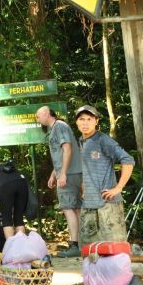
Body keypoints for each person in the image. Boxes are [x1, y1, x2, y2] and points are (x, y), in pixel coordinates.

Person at [74, 105, 135, 245]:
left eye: (89, 119)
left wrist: (119, 187)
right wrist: (84, 189)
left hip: (107, 204)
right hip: (89, 204)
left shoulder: (103, 140)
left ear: (96, 121)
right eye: (81, 119)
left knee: (114, 249)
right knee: (89, 251)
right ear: (76, 122)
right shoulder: (81, 141)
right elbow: (87, 168)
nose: (85, 123)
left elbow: (128, 160)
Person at [35, 105, 83, 257]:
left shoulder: (59, 126)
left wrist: (62, 174)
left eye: (38, 116)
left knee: (68, 207)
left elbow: (67, 149)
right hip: (71, 172)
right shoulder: (56, 128)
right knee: (75, 208)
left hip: (69, 174)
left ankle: (74, 245)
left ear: (46, 113)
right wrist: (54, 174)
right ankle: (82, 244)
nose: (37, 120)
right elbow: (60, 154)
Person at [0, 160, 28, 240]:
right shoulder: (5, 167)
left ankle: (11, 248)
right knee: (19, 219)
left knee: (7, 220)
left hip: (6, 186)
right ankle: (22, 247)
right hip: (22, 183)